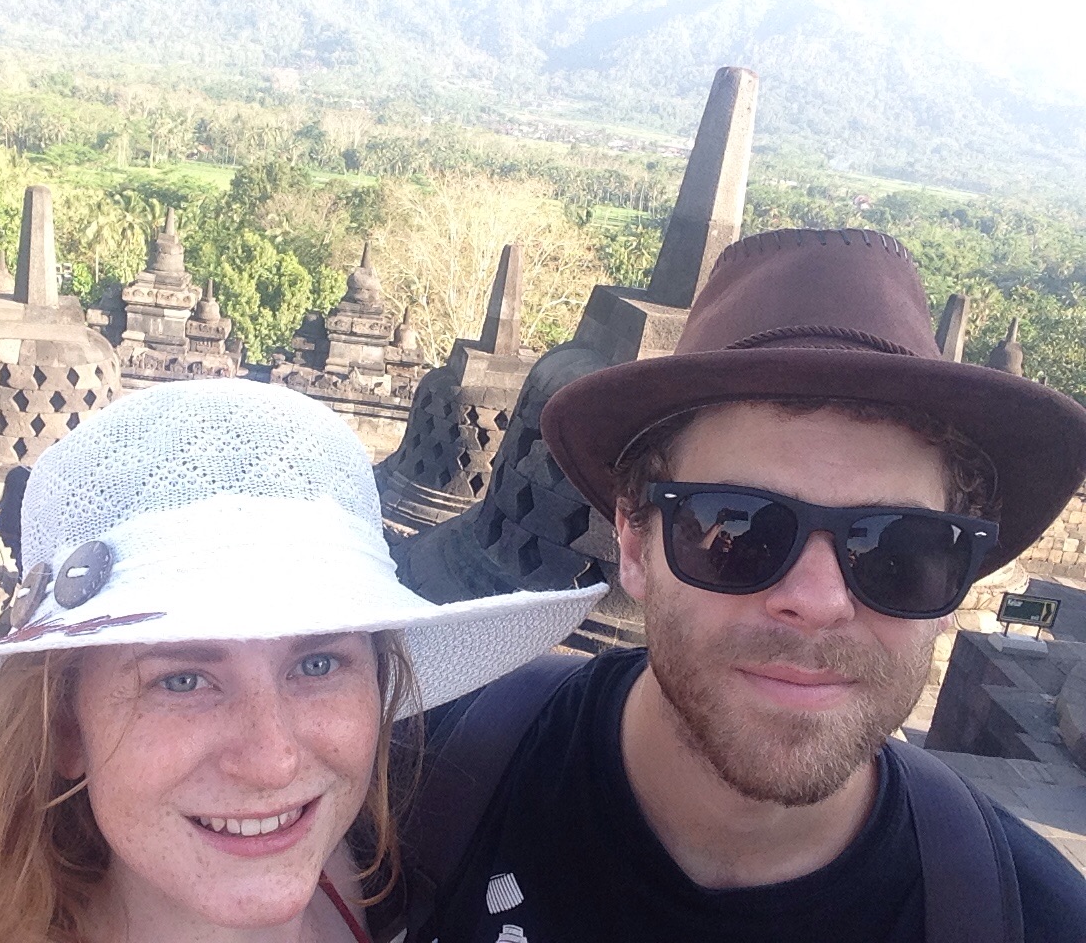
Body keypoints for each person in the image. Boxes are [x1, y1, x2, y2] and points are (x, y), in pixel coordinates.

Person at [408, 229, 1086, 942]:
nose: (818, 601)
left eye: (899, 551)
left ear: (959, 579)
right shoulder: (422, 796)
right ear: (634, 543)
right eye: (738, 532)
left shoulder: (1028, 922)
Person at [0, 379, 604, 943]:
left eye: (320, 663)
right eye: (183, 680)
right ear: (63, 727)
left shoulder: (350, 882)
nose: (272, 759)